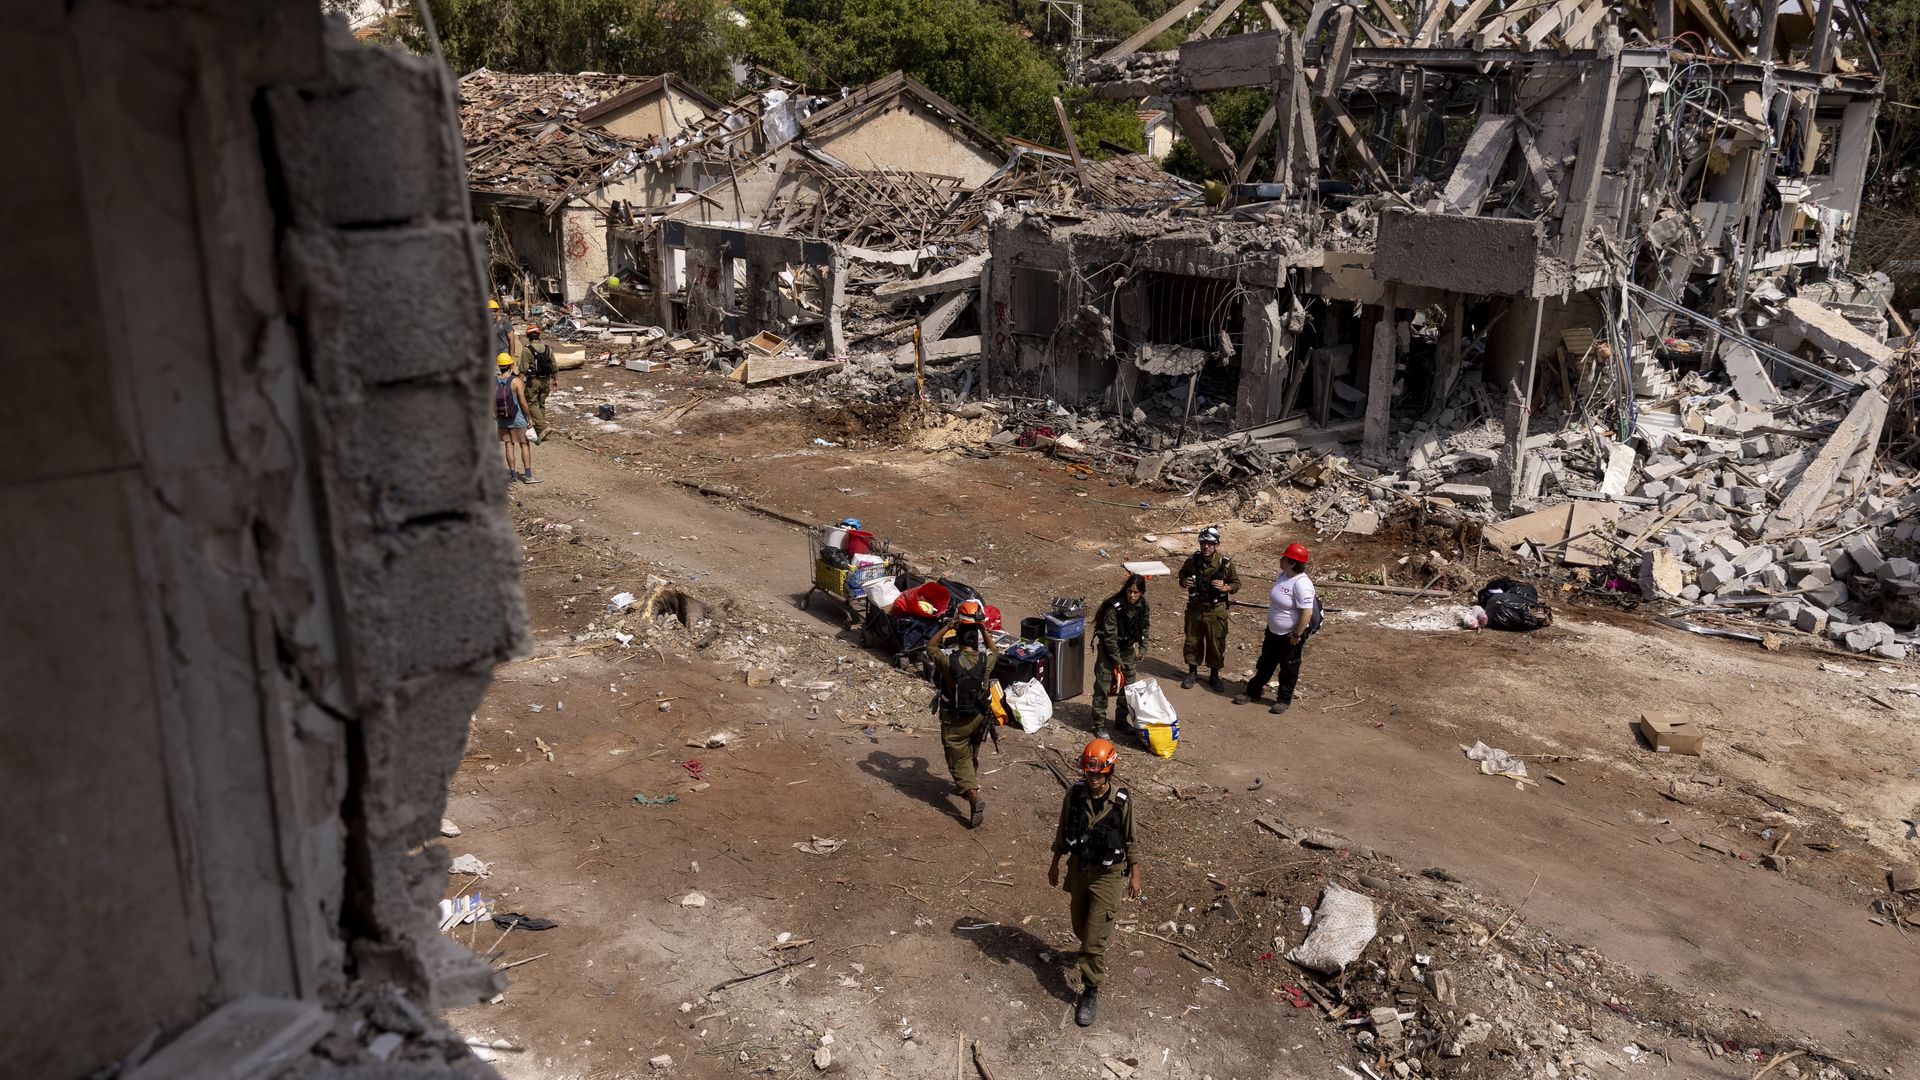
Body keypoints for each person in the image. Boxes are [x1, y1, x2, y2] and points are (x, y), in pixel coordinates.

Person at [1048, 738, 1140, 1027]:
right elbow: (1063, 829)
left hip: (1108, 877)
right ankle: (1087, 951)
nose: (1094, 779)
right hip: (1079, 870)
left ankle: (1090, 989)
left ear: (1109, 772)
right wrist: (1054, 863)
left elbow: (1131, 839)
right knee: (1080, 926)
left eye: (1099, 774)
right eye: (1090, 774)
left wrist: (1135, 875)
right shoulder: (1074, 795)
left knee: (1093, 939)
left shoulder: (1122, 802)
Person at [927, 599, 999, 828]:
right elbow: (994, 649)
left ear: (957, 639)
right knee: (971, 752)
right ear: (976, 638)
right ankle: (970, 780)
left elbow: (931, 647)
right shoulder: (986, 661)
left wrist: (948, 625)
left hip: (955, 720)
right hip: (979, 717)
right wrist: (983, 629)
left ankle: (973, 796)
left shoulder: (949, 662)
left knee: (957, 756)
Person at [1234, 542, 1317, 713]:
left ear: (1292, 562)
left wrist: (1296, 634)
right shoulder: (1283, 576)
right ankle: (1253, 691)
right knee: (1265, 662)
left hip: (1290, 635)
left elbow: (1306, 613)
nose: (1281, 559)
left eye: (1284, 558)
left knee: (1288, 667)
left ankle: (1283, 700)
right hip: (1273, 632)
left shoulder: (1302, 584)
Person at [1178, 526, 1240, 692]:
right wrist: (1185, 582)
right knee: (1193, 641)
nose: (1206, 546)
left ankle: (1214, 675)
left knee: (1216, 643)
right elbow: (1182, 575)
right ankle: (1192, 672)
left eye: (1210, 543)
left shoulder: (1224, 563)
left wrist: (1224, 587)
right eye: (1203, 543)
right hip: (1195, 609)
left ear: (1216, 545)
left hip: (1216, 610)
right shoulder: (1192, 561)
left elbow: (1236, 583)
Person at [1090, 573, 1150, 740]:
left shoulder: (1143, 605)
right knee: (1103, 687)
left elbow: (1145, 627)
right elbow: (1109, 637)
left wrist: (1143, 648)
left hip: (1128, 650)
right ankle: (1099, 723)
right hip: (1108, 652)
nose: (1132, 596)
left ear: (1141, 593)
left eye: (1136, 592)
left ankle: (1121, 720)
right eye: (1129, 591)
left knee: (1128, 689)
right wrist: (1116, 661)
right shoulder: (1114, 608)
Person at [494, 353, 540, 484]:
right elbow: (523, 402)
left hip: (502, 419)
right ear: (511, 365)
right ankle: (528, 476)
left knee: (509, 445)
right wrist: (529, 418)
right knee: (524, 444)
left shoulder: (494, 382)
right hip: (518, 419)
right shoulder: (516, 381)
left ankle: (513, 475)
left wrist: (495, 415)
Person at [522, 326, 557, 442]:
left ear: (528, 337)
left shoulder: (527, 349)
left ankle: (543, 427)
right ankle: (540, 431)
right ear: (539, 336)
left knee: (531, 403)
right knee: (541, 403)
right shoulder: (548, 349)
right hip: (546, 380)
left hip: (534, 381)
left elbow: (523, 368)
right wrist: (555, 379)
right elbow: (554, 366)